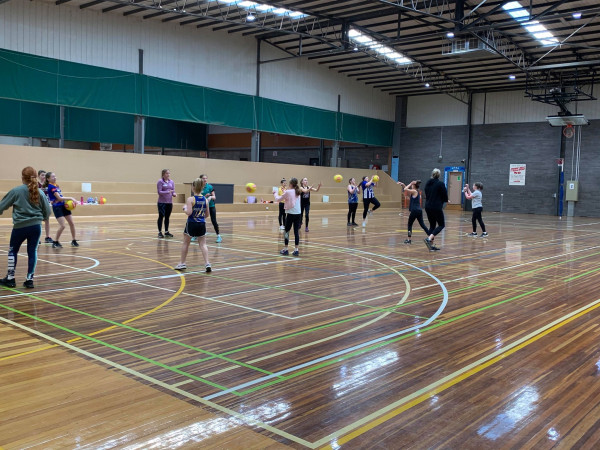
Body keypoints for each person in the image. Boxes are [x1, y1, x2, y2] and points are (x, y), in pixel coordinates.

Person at [0, 167, 51, 289]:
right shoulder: (40, 192)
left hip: (20, 227)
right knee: (32, 252)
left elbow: (1, 206)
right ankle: (29, 280)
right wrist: (41, 218)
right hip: (36, 227)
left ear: (22, 177)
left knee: (13, 251)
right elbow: (48, 212)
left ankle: (10, 278)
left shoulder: (16, 191)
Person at [174, 177, 211, 273]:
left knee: (186, 243)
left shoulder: (191, 199)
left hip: (191, 223)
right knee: (203, 244)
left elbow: (189, 213)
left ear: (193, 187)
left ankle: (182, 263)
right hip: (201, 224)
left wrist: (184, 208)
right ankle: (207, 263)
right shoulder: (205, 200)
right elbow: (207, 215)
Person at [44, 172, 79, 248]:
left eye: (55, 176)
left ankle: (74, 240)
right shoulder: (51, 187)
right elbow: (59, 198)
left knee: (72, 223)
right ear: (48, 179)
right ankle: (55, 242)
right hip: (57, 207)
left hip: (63, 206)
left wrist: (67, 202)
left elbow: (60, 197)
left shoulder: (56, 185)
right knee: (62, 226)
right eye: (53, 177)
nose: (55, 178)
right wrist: (71, 198)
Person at [274, 177, 302, 256]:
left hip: (291, 214)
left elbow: (278, 199)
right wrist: (285, 192)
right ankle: (296, 250)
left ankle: (286, 249)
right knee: (296, 232)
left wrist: (275, 193)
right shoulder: (298, 191)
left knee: (286, 232)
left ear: (291, 184)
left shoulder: (288, 191)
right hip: (298, 214)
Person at [423, 168, 448, 251]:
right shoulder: (440, 184)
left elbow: (427, 194)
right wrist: (445, 200)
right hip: (436, 206)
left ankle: (431, 246)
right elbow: (445, 196)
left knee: (432, 226)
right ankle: (428, 239)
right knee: (441, 225)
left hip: (428, 206)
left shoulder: (428, 183)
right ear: (439, 175)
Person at [397, 180, 429, 244]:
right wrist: (403, 184)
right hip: (419, 210)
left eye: (412, 185)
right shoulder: (415, 191)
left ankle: (409, 240)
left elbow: (406, 189)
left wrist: (410, 183)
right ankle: (430, 236)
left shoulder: (414, 191)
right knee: (422, 225)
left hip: (415, 210)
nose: (411, 185)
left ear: (414, 185)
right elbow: (406, 189)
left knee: (409, 224)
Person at [200, 174, 222, 243]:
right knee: (200, 221)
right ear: (200, 179)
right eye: (203, 178)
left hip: (211, 206)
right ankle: (196, 235)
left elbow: (214, 197)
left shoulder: (210, 187)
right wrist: (205, 196)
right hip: (202, 206)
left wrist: (210, 197)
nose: (205, 179)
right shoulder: (199, 187)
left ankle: (218, 236)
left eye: (206, 178)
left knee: (214, 221)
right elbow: (198, 197)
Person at [157, 169, 176, 238]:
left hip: (169, 202)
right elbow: (159, 192)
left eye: (169, 173)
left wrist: (174, 194)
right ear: (163, 174)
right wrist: (167, 192)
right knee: (161, 216)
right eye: (167, 173)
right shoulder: (160, 181)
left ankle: (166, 231)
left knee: (167, 217)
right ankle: (160, 232)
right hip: (162, 202)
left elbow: (173, 190)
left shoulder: (171, 182)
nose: (168, 175)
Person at [37, 169, 53, 244]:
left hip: (46, 204)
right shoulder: (36, 184)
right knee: (38, 221)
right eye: (42, 175)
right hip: (38, 205)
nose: (44, 176)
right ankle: (37, 238)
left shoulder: (48, 184)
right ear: (38, 176)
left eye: (45, 175)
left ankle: (47, 237)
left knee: (47, 220)